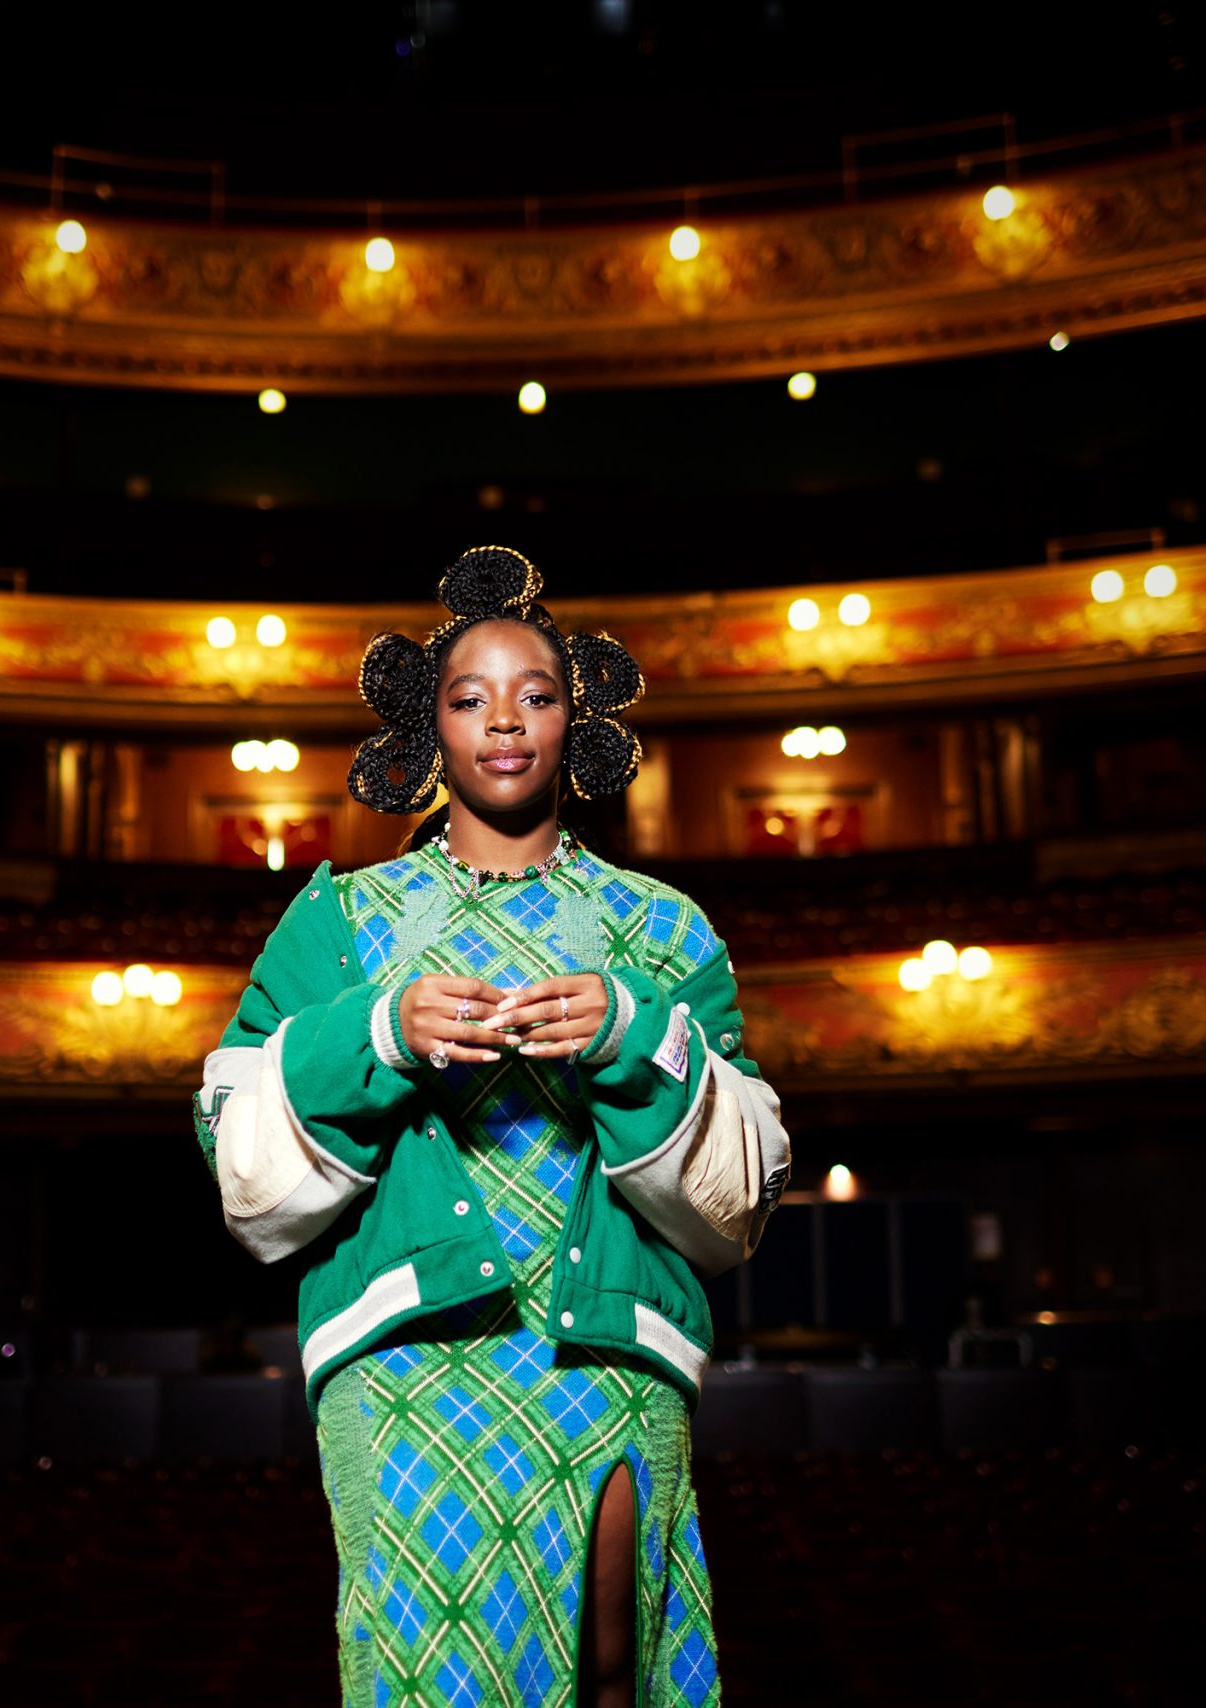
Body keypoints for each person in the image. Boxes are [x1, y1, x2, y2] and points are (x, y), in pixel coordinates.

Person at [193, 546, 793, 1707]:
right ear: (429, 727)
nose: (504, 722)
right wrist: (373, 1034)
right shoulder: (342, 921)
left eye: (537, 695)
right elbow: (240, 1166)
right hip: (406, 1364)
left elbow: (740, 1199)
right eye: (469, 698)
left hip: (603, 1359)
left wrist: (631, 1033)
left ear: (580, 722)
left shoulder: (662, 928)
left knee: (611, 1667)